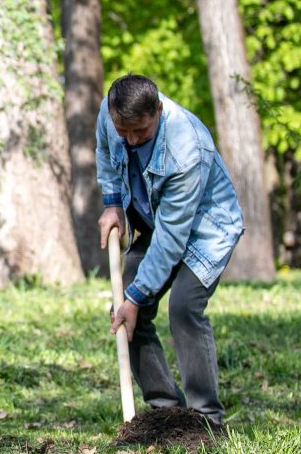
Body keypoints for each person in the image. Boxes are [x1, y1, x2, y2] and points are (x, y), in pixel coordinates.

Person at [96, 74, 244, 428]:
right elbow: (105, 151)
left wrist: (136, 297)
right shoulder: (110, 111)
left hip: (205, 231)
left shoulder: (186, 149)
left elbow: (171, 239)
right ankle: (166, 412)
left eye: (141, 133)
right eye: (124, 131)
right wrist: (112, 203)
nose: (130, 140)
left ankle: (206, 420)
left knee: (183, 308)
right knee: (126, 311)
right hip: (155, 220)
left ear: (158, 111)